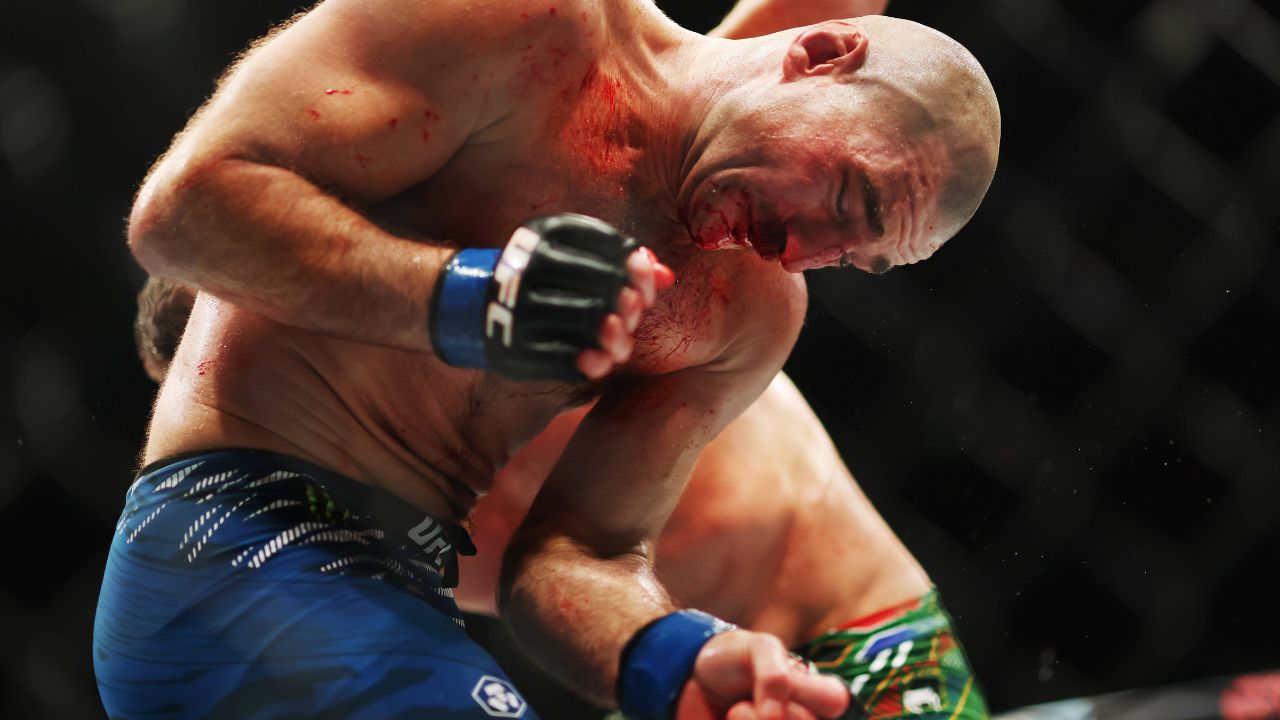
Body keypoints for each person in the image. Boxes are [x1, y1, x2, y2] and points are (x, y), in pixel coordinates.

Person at [98, 0, 999, 718]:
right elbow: (178, 212)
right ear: (822, 53)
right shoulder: (527, 27)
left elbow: (578, 556)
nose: (803, 250)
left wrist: (671, 657)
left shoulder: (747, 312)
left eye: (852, 257)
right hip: (239, 539)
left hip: (405, 588)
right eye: (847, 195)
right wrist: (467, 297)